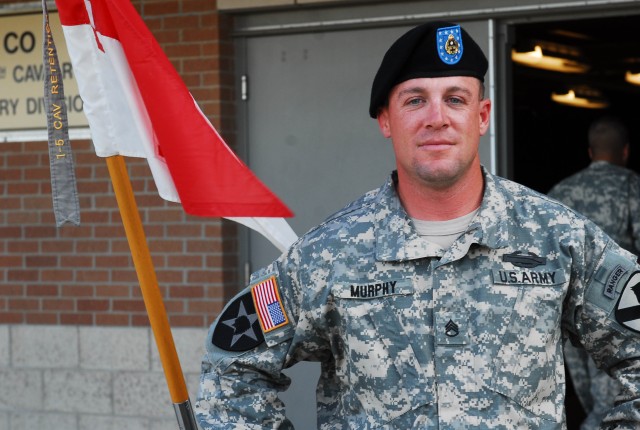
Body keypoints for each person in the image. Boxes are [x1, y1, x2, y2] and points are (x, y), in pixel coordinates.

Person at [195, 21, 640, 429]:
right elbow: (231, 368)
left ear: (481, 116)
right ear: (386, 120)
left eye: (455, 99)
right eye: (414, 100)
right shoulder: (326, 255)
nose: (437, 118)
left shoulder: (558, 237)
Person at [548, 116, 640, 430]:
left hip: (566, 312)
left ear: (590, 152)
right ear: (625, 151)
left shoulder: (559, 193)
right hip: (617, 313)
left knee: (591, 399)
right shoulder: (632, 186)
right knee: (608, 405)